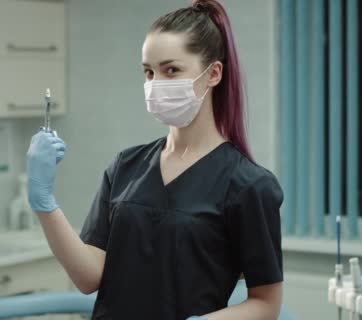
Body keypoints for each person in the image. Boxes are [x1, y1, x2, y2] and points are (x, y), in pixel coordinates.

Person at [26, 0, 284, 319]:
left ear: (214, 73)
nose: (155, 84)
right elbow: (88, 277)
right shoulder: (126, 166)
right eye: (149, 71)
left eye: (171, 70)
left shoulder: (248, 185)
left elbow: (266, 303)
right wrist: (45, 204)